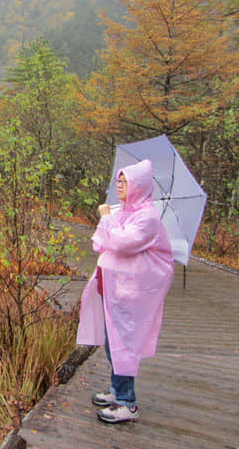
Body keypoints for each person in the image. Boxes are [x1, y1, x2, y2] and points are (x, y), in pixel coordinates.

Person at [76, 159, 174, 423]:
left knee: (124, 345)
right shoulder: (124, 211)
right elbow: (99, 241)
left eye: (125, 182)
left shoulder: (147, 217)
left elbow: (120, 243)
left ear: (138, 185)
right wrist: (110, 223)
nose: (119, 186)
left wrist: (107, 220)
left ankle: (127, 403)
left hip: (131, 294)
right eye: (118, 181)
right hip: (113, 289)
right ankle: (116, 390)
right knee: (112, 345)